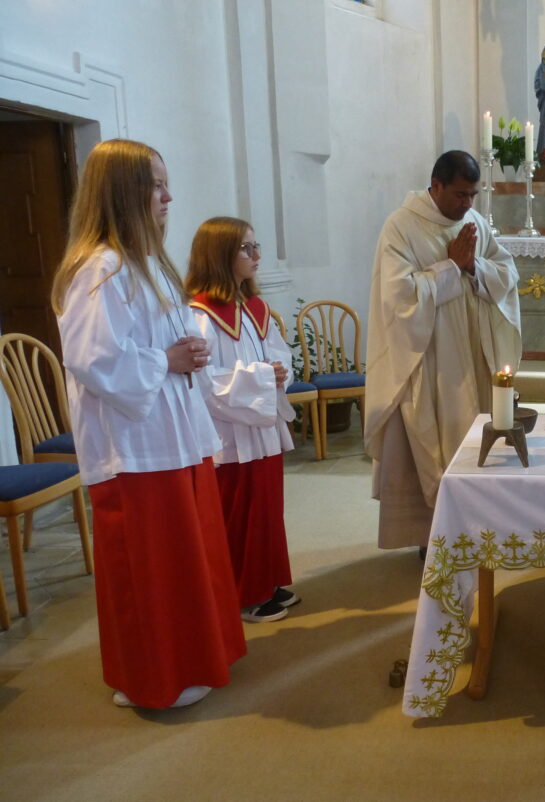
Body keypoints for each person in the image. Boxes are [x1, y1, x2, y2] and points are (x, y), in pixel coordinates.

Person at [53, 139, 244, 709]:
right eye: (155, 185)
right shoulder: (103, 269)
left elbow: (149, 343)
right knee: (149, 570)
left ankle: (190, 660)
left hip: (169, 437)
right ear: (123, 193)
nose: (168, 196)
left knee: (185, 562)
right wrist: (169, 359)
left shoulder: (144, 265)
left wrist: (185, 350)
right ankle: (152, 679)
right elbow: (95, 358)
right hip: (134, 448)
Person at [363, 151, 522, 550]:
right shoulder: (401, 227)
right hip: (429, 355)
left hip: (473, 349)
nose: (467, 204)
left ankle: (480, 525)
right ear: (435, 186)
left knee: (477, 433)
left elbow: (505, 270)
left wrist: (473, 268)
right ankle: (431, 535)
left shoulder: (474, 221)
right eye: (459, 195)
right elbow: (397, 298)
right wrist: (451, 267)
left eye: (473, 194)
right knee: (432, 439)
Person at [186, 217, 300, 623]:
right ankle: (245, 594)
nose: (257, 256)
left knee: (267, 507)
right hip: (231, 432)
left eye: (256, 246)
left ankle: (266, 580)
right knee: (240, 512)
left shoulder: (253, 307)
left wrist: (279, 371)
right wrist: (264, 378)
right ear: (219, 256)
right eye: (245, 249)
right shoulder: (199, 314)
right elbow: (203, 380)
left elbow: (278, 349)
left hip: (263, 424)